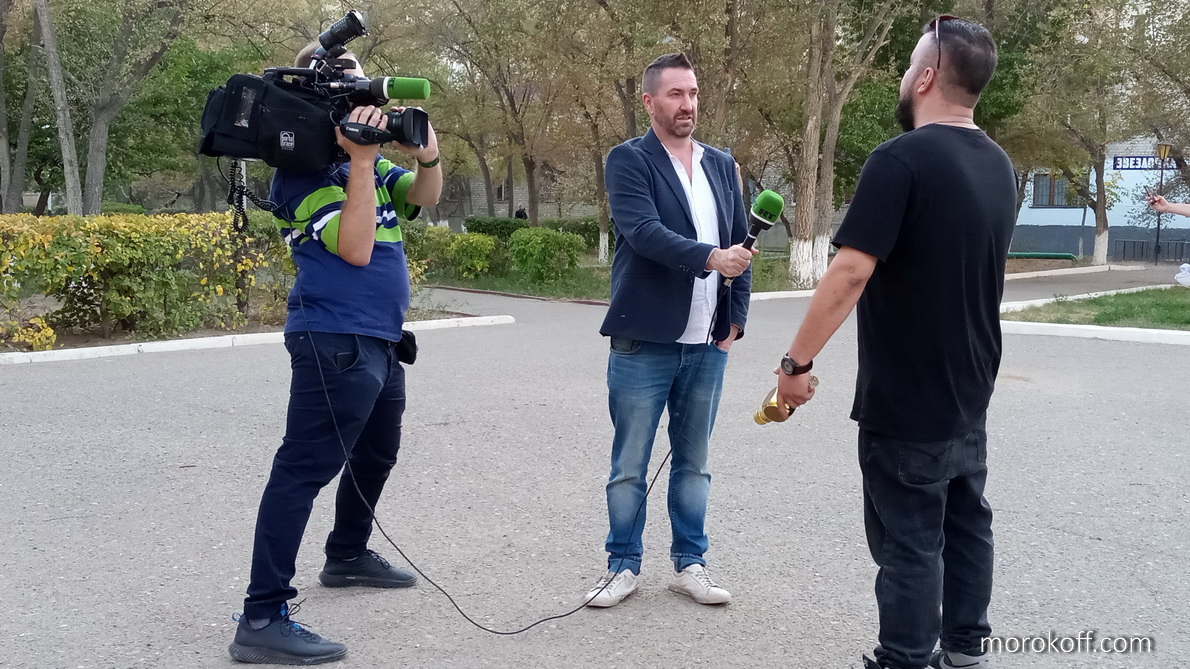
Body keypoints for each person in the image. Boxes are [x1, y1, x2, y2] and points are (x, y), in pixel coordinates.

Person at [773, 17, 1012, 669]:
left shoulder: (900, 158)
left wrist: (795, 364)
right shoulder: (998, 164)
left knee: (909, 541)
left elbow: (850, 271)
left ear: (927, 77)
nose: (904, 77)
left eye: (909, 65)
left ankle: (904, 658)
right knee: (967, 524)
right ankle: (965, 652)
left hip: (907, 396)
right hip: (969, 387)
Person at [228, 42, 443, 666]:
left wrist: (426, 151)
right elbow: (355, 248)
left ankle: (347, 554)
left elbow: (426, 196)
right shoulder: (302, 173)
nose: (366, 109)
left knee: (377, 453)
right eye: (352, 96)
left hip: (380, 338)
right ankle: (262, 616)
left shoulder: (367, 165)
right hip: (333, 339)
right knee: (301, 470)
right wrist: (362, 160)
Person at [584, 53, 756, 609]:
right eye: (676, 94)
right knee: (629, 465)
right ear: (650, 101)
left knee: (694, 463)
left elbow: (743, 245)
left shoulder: (721, 164)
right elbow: (643, 232)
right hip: (644, 340)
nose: (688, 104)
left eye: (693, 93)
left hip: (708, 343)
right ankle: (621, 566)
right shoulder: (629, 160)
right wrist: (710, 257)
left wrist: (736, 320)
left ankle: (690, 564)